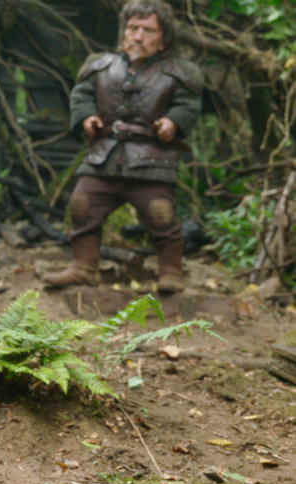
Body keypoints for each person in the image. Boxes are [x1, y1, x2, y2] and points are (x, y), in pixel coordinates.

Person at [44, 0, 203, 293]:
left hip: (151, 160)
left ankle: (170, 272)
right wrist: (86, 117)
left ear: (164, 39)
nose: (138, 36)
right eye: (133, 28)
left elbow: (188, 103)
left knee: (161, 215)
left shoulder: (178, 71)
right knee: (81, 206)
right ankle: (84, 268)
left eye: (148, 30)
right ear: (123, 32)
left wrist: (173, 122)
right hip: (103, 157)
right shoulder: (99, 65)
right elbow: (81, 95)